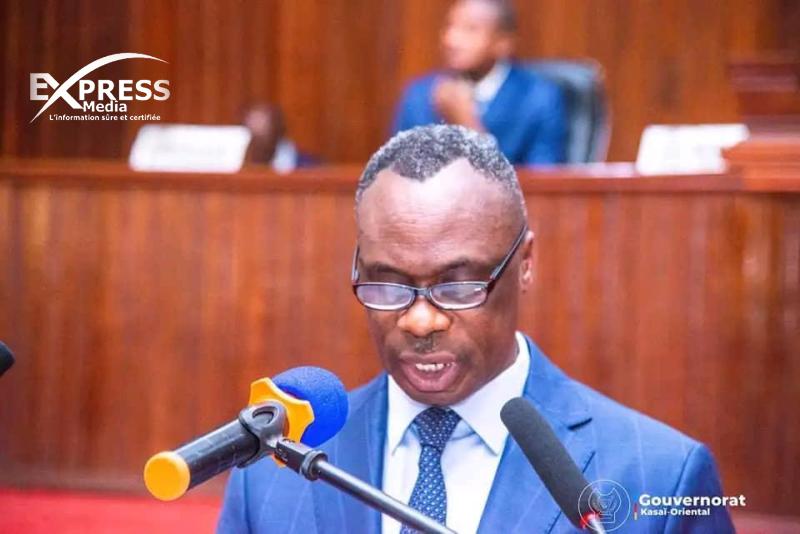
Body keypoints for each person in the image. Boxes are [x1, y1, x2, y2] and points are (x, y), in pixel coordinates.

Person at [217, 125, 734, 533]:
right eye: (389, 284)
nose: (420, 320)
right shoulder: (272, 473)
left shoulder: (660, 477)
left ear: (525, 264)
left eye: (458, 286)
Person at [392, 0, 567, 165]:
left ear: (503, 43)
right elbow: (397, 172)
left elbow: (543, 182)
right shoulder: (420, 94)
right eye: (449, 26)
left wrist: (469, 126)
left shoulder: (538, 98)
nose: (451, 39)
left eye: (470, 29)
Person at [242, 103, 316, 172]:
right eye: (252, 122)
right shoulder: (245, 158)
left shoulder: (306, 165)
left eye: (260, 122)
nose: (255, 128)